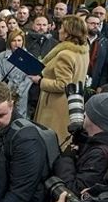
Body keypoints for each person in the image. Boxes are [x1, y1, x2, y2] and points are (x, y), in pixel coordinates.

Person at [33, 16, 90, 147]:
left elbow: (63, 84)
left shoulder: (65, 55)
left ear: (69, 33)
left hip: (56, 106)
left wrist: (40, 81)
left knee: (51, 142)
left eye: (62, 28)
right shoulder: (82, 51)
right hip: (72, 103)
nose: (58, 30)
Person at [0, 30, 33, 120]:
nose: (16, 43)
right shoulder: (1, 57)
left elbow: (29, 78)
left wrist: (18, 92)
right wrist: (6, 91)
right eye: (13, 41)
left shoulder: (28, 57)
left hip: (22, 93)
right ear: (9, 42)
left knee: (20, 117)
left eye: (19, 40)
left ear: (23, 42)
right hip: (4, 93)